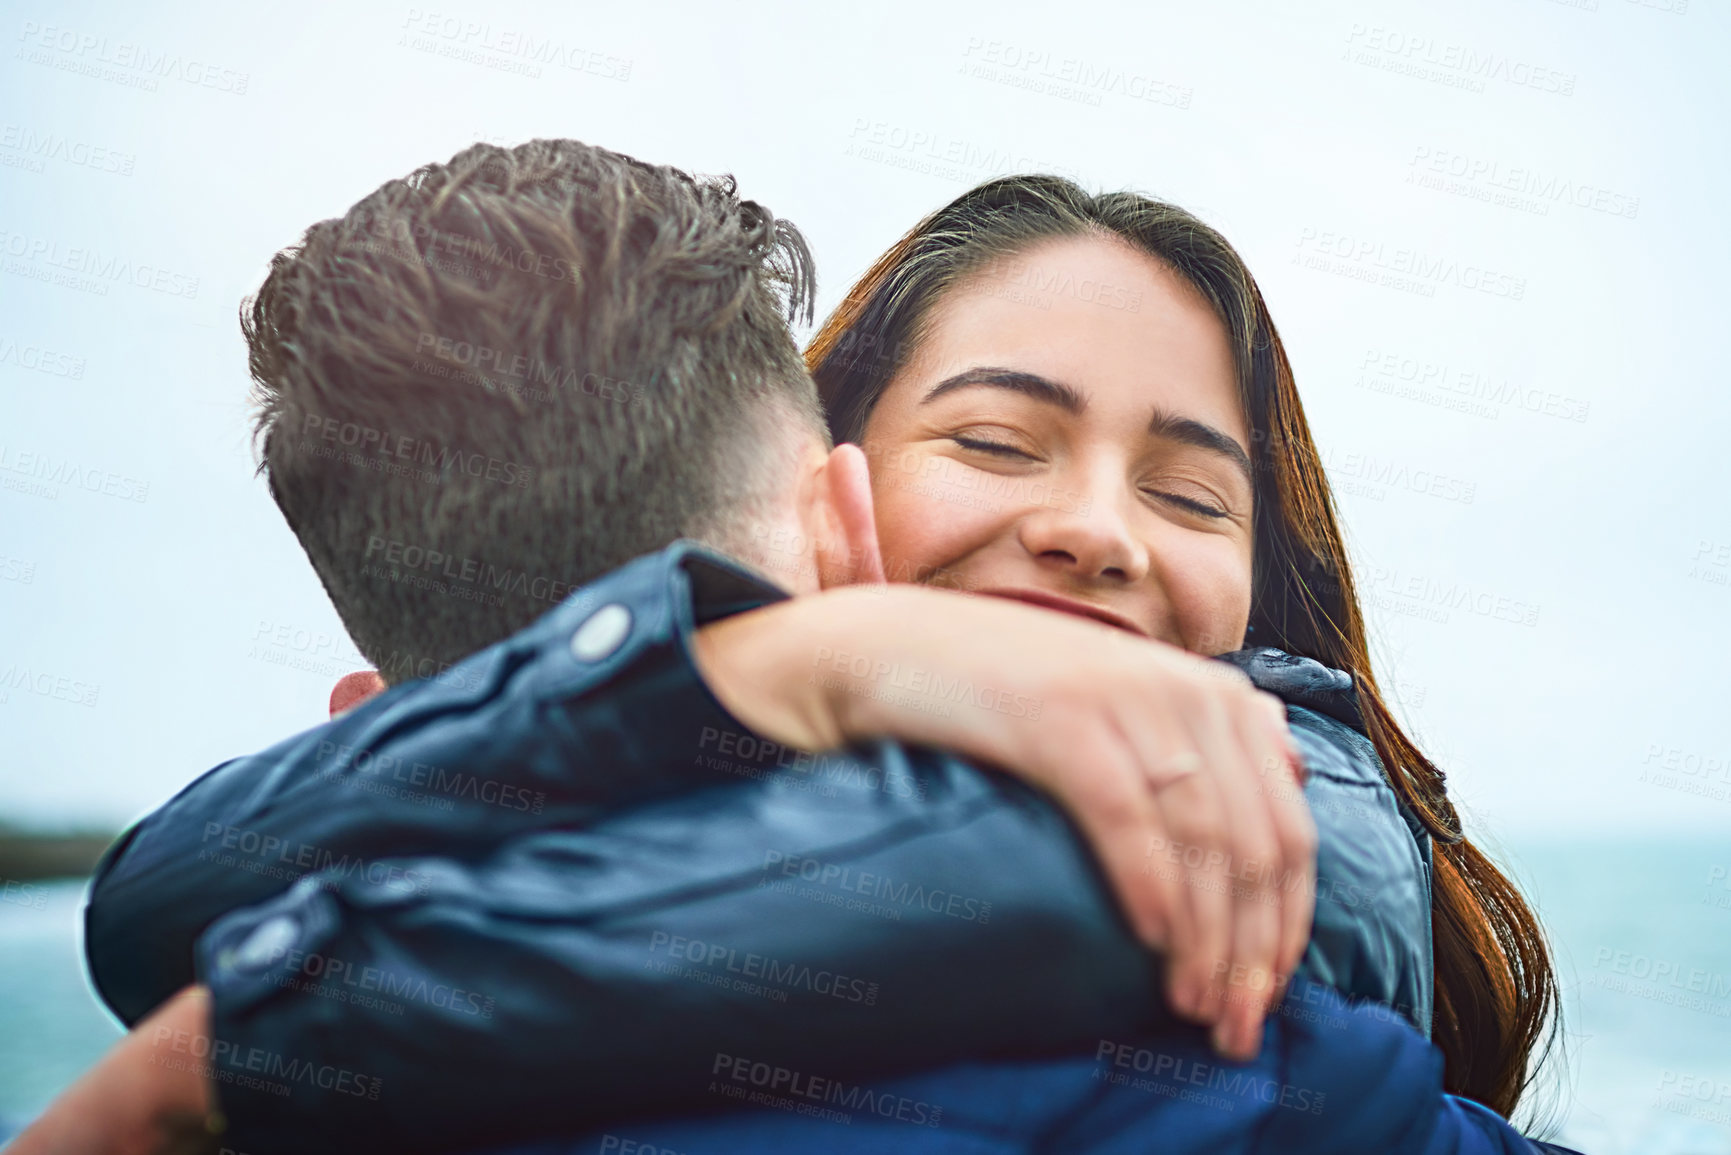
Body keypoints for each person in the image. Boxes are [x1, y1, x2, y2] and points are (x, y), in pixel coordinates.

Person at [27, 141, 1568, 1154]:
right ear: (836, 506)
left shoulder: (1291, 811)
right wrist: (745, 666)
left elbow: (1064, 886)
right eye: (995, 440)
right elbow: (159, 886)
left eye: (1189, 494)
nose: (1103, 530)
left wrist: (221, 1064)